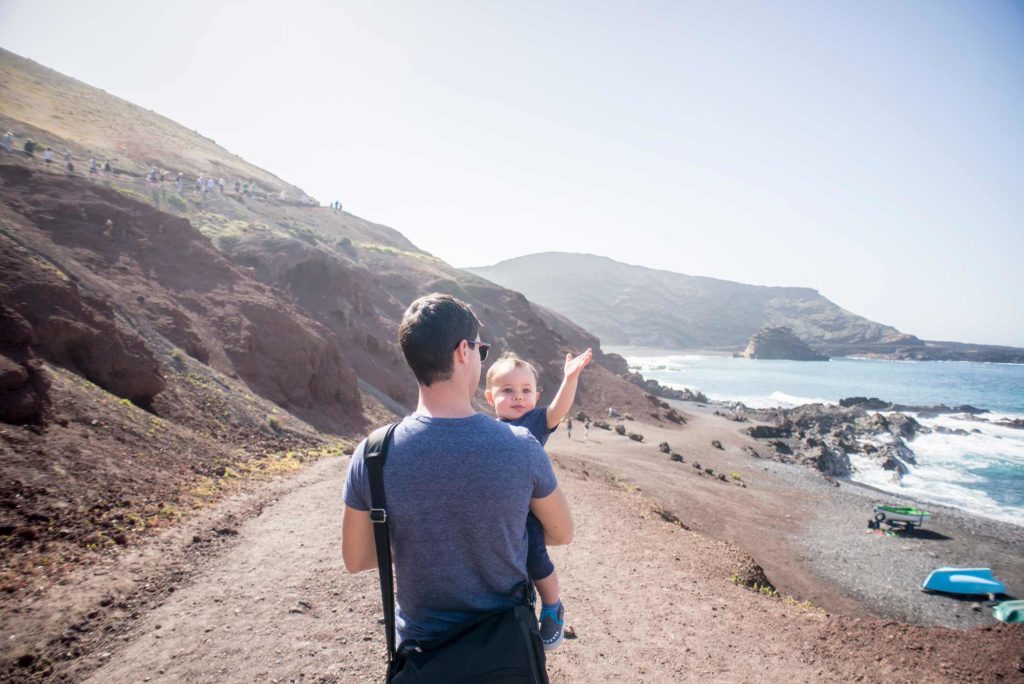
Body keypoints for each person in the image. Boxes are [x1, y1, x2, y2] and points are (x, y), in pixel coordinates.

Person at [343, 294, 573, 656]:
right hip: (505, 654)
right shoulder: (520, 446)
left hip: (423, 657)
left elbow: (356, 559)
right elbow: (561, 533)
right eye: (482, 351)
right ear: (463, 351)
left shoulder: (373, 453)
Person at [483, 347, 592, 650]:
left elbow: (558, 410)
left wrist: (569, 379)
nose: (518, 396)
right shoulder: (484, 428)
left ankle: (553, 606)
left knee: (535, 558)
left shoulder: (532, 422)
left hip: (528, 510)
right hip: (497, 511)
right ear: (490, 397)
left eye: (526, 390)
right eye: (508, 390)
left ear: (535, 395)